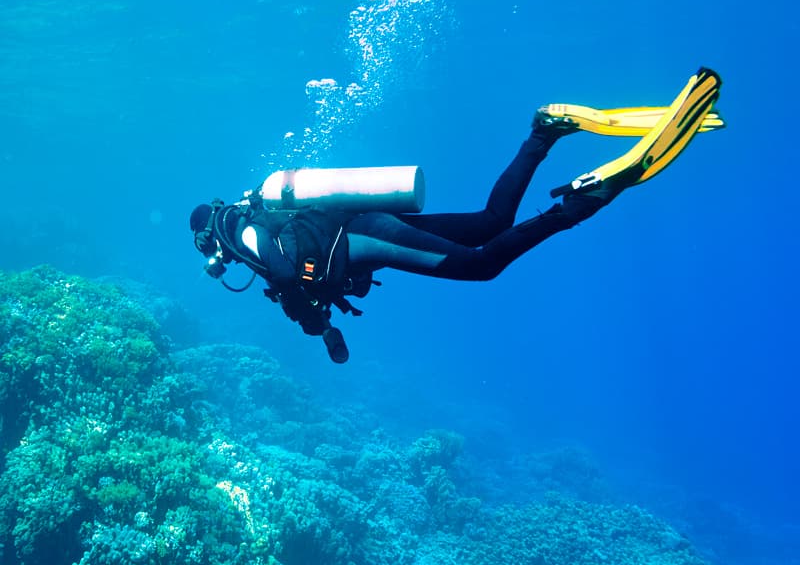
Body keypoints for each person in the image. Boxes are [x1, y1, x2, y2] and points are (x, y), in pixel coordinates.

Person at [190, 67, 722, 364]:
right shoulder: (256, 212)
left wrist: (308, 319)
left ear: (208, 238)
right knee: (490, 221)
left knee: (482, 264)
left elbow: (285, 275)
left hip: (363, 239)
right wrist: (325, 329)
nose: (217, 262)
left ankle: (583, 201)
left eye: (208, 254)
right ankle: (543, 132)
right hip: (361, 227)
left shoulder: (241, 234)